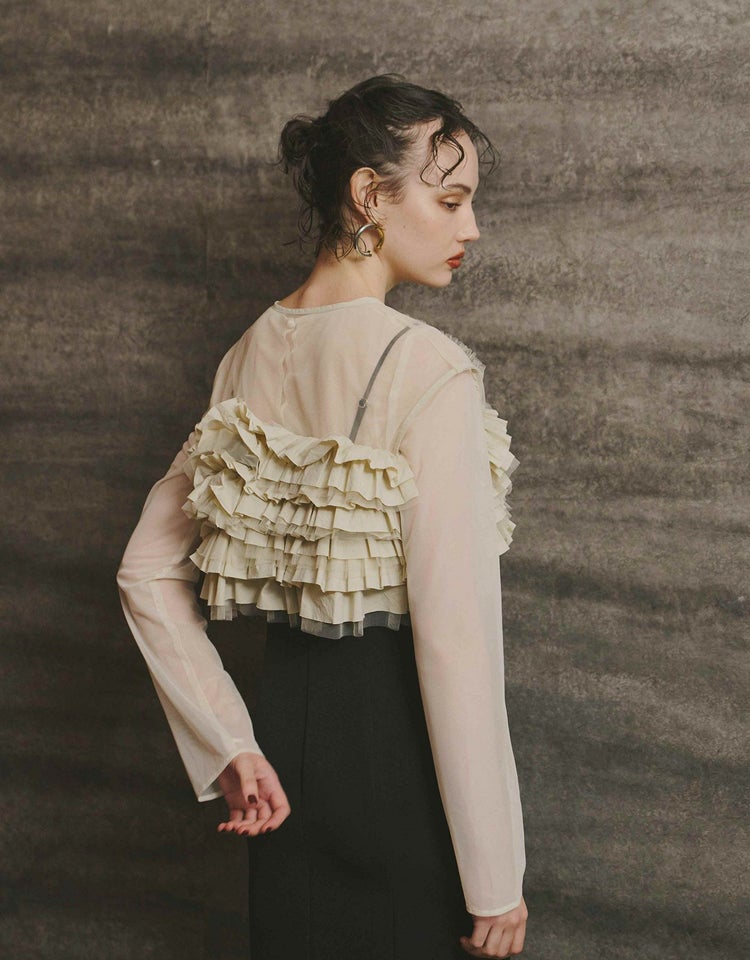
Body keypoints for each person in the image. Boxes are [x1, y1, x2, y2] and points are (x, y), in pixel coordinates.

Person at [117, 74, 527, 960]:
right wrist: (495, 877)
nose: (471, 228)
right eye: (450, 200)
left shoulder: (245, 355)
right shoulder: (429, 368)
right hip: (403, 769)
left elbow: (144, 571)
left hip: (284, 765)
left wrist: (229, 743)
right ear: (370, 194)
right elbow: (455, 641)